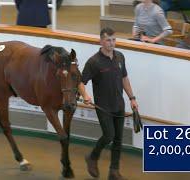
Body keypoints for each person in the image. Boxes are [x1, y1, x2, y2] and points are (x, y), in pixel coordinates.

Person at [78, 27, 139, 180]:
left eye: (113, 40)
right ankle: (92, 157)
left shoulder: (120, 57)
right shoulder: (93, 62)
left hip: (119, 104)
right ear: (101, 41)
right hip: (103, 107)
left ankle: (114, 171)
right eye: (108, 40)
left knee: (118, 138)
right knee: (109, 135)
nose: (111, 43)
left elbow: (125, 78)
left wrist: (132, 98)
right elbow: (80, 82)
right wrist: (85, 95)